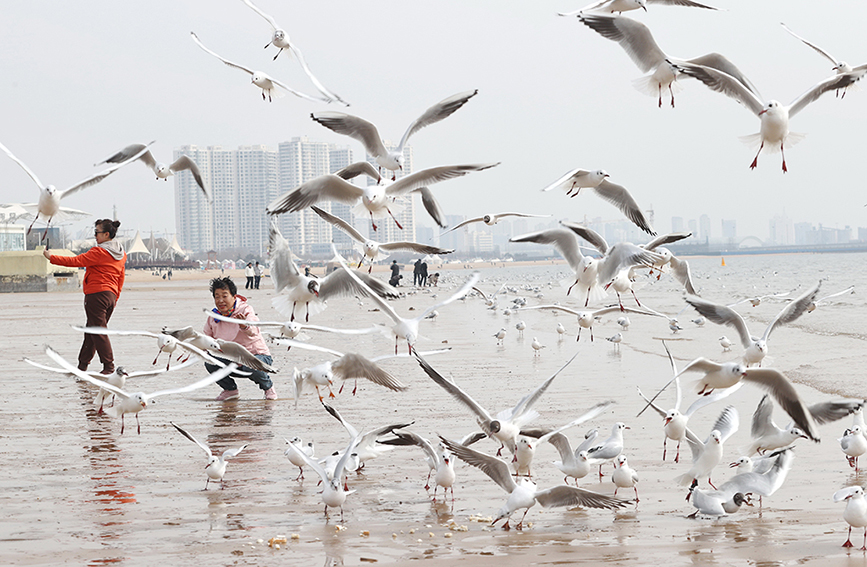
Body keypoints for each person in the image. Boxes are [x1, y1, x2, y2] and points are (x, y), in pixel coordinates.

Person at [43, 219, 126, 374]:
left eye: (97, 232)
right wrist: (115, 298)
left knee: (98, 332)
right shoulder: (121, 254)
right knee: (92, 332)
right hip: (110, 296)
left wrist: (51, 257)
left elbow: (75, 261)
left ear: (106, 234)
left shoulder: (99, 252)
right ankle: (82, 367)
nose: (95, 235)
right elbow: (121, 278)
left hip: (96, 296)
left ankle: (109, 367)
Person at [203, 276, 277, 401]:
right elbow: (206, 338)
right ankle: (230, 390)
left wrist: (244, 326)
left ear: (234, 296)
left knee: (251, 365)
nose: (220, 300)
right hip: (232, 360)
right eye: (217, 297)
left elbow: (254, 331)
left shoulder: (245, 310)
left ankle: (268, 388)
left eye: (224, 296)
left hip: (257, 357)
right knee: (210, 362)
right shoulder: (213, 317)